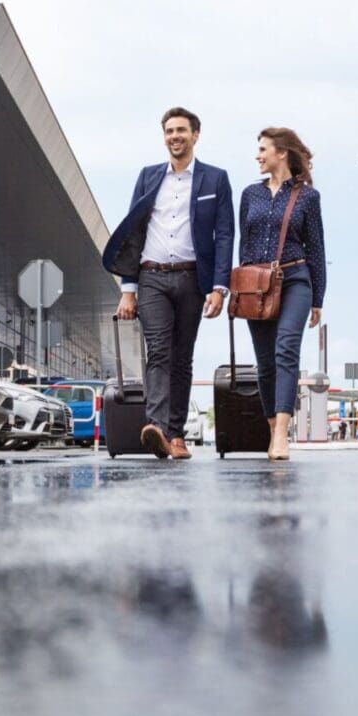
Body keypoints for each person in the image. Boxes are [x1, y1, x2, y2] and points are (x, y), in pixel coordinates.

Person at [100, 107, 235, 460]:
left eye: (181, 130)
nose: (174, 136)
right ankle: (157, 427)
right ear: (164, 137)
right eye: (169, 131)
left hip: (193, 278)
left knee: (182, 357)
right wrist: (128, 289)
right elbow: (133, 232)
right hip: (152, 277)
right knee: (158, 350)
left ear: (195, 135)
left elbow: (225, 235)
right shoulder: (148, 177)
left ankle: (176, 436)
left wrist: (220, 287)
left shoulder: (215, 179)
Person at [237, 127, 326, 461]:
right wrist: (241, 287)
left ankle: (280, 435)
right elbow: (243, 245)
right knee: (264, 363)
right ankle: (272, 425)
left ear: (282, 153)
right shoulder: (250, 194)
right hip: (256, 284)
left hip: (295, 279)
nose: (258, 156)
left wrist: (318, 297)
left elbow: (316, 248)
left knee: (286, 349)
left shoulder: (307, 197)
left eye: (263, 149)